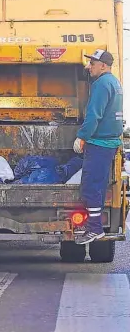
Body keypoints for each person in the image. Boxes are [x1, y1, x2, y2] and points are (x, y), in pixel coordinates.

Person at [73, 49, 123, 245]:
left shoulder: (101, 84)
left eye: (92, 63)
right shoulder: (114, 82)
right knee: (98, 185)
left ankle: (94, 229)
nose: (88, 66)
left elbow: (94, 115)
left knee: (92, 185)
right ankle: (94, 226)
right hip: (108, 142)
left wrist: (82, 137)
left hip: (99, 143)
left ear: (103, 65)